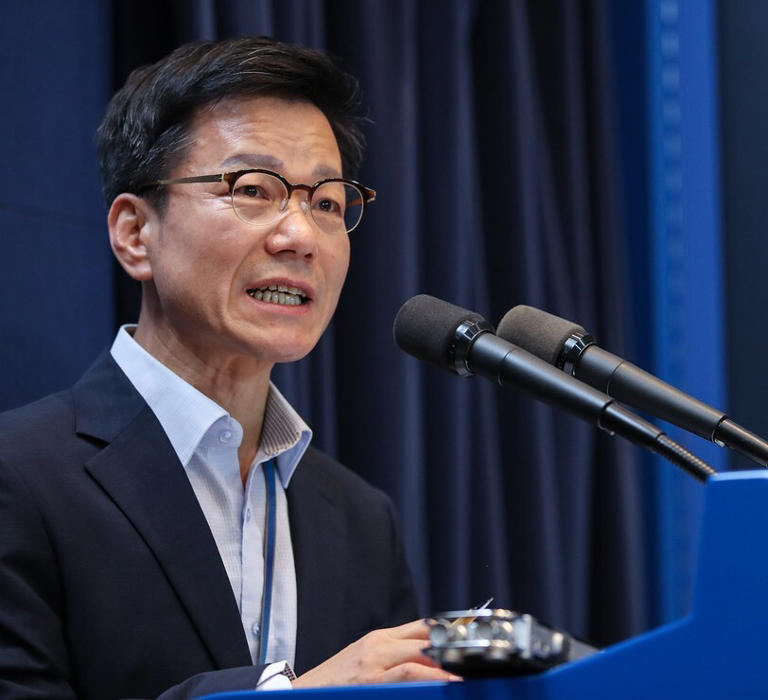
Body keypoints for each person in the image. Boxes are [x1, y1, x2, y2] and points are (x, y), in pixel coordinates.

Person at [0, 37, 458, 699]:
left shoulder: (362, 520)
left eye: (328, 203)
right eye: (253, 190)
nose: (300, 236)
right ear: (135, 233)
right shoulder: (19, 477)